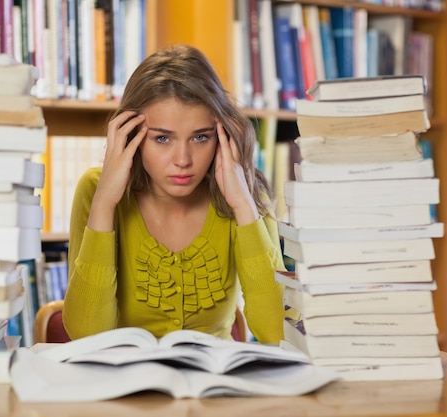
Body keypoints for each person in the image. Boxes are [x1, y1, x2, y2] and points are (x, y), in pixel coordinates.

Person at [62, 44, 285, 344]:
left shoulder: (245, 193)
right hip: (123, 386)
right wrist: (105, 203)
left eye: (200, 137)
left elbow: (279, 333)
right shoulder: (94, 190)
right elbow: (87, 334)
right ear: (131, 136)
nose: (183, 159)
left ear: (222, 136)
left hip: (215, 386)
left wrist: (244, 205)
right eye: (163, 138)